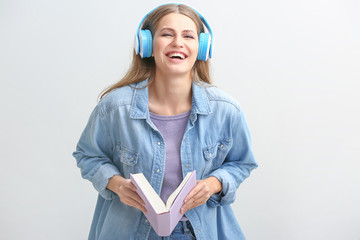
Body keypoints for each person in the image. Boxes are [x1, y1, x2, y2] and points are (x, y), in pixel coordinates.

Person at [73, 3, 258, 240]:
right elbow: (87, 155)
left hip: (199, 233)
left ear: (202, 48)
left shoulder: (226, 110)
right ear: (147, 44)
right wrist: (117, 184)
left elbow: (242, 163)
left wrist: (213, 184)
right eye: (167, 34)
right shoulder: (114, 108)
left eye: (188, 36)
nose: (178, 43)